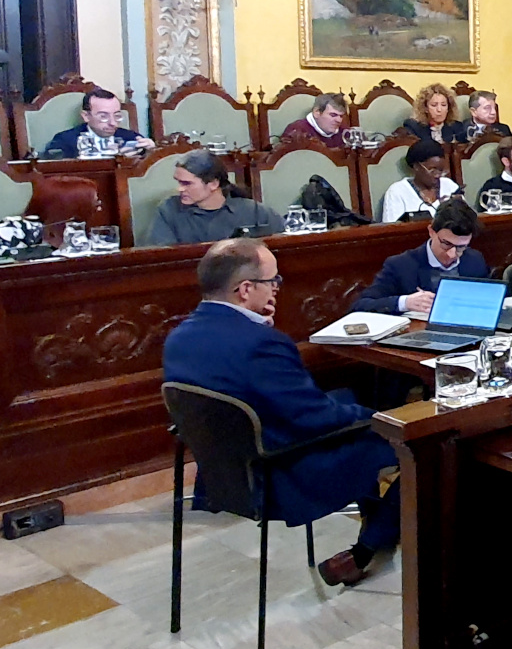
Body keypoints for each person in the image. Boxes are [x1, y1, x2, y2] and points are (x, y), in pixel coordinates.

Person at [162, 239, 399, 587]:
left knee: (347, 398)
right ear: (245, 289)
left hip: (224, 471)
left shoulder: (178, 337)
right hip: (279, 472)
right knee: (414, 439)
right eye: (273, 281)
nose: (276, 288)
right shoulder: (260, 344)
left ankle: (378, 524)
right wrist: (380, 417)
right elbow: (313, 417)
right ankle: (365, 550)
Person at [353, 198, 489, 315]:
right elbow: (359, 306)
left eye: (461, 247)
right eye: (446, 244)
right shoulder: (401, 265)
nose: (452, 254)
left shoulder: (474, 260)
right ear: (431, 231)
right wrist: (405, 303)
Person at [146, 149, 282, 246]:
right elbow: (161, 258)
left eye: (186, 183)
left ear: (213, 184)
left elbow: (284, 244)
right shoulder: (168, 211)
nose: (180, 189)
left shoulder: (255, 211)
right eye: (178, 182)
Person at [43, 86, 152, 157]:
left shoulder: (131, 138)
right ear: (86, 116)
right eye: (103, 116)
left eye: (117, 116)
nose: (113, 123)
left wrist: (151, 152)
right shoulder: (65, 141)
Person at [377, 139, 460, 223]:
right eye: (432, 170)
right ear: (416, 166)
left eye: (441, 170)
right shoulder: (397, 192)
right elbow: (392, 230)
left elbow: (466, 220)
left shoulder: (450, 186)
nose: (438, 175)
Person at [280, 94, 349, 146]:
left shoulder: (344, 131)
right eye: (333, 115)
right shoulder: (297, 131)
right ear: (317, 112)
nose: (339, 120)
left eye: (341, 116)